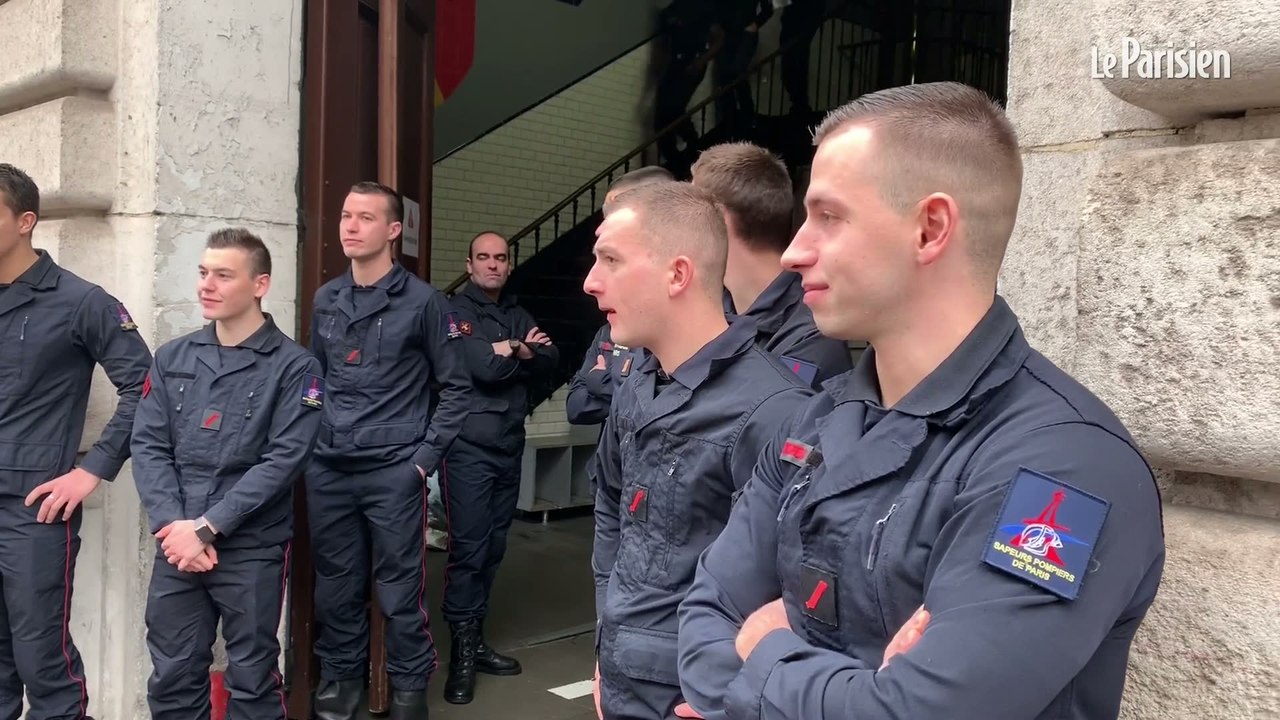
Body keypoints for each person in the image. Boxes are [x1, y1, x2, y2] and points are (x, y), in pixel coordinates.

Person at [676, 81, 1165, 720]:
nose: (795, 251)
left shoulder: (1061, 466)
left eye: (828, 216)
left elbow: (923, 712)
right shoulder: (813, 423)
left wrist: (764, 647)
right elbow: (703, 625)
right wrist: (855, 682)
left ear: (930, 228)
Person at [586, 181, 815, 720]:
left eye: (610, 260)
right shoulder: (640, 384)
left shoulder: (774, 410)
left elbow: (789, 585)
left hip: (694, 698)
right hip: (622, 679)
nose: (591, 282)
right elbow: (610, 514)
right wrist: (605, 649)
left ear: (678, 274)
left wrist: (730, 699)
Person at [130, 228, 323, 719]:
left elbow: (283, 462)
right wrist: (174, 526)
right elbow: (149, 445)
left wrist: (207, 527)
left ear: (260, 284)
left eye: (223, 275)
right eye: (202, 273)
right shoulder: (173, 358)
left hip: (249, 547)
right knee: (172, 675)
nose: (206, 286)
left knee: (253, 680)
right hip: (178, 541)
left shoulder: (296, 368)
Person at [306, 181, 473, 719]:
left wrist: (420, 463)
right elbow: (316, 380)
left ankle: (407, 691)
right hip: (329, 466)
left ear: (393, 230)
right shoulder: (326, 297)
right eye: (346, 215)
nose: (350, 226)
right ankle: (340, 683)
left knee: (400, 592)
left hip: (392, 471)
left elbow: (457, 390)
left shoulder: (424, 302)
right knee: (336, 587)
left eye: (366, 218)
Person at [0, 164, 152, 720]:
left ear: (25, 222)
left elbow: (146, 387)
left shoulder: (82, 301)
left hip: (32, 509)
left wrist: (94, 470)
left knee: (43, 660)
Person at [441, 231, 559, 704]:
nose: (493, 265)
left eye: (501, 258)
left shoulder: (516, 312)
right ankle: (461, 656)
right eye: (484, 258)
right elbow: (478, 369)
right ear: (469, 265)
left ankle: (477, 638)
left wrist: (512, 349)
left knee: (492, 549)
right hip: (468, 450)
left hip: (509, 446)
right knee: (468, 552)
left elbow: (551, 359)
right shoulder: (455, 312)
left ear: (509, 265)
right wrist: (519, 351)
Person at [690, 141, 853, 388]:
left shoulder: (813, 333)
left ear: (718, 220)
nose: (682, 227)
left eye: (691, 212)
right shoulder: (709, 309)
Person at [566, 166, 673, 429]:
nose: (590, 284)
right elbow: (575, 407)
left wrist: (598, 382)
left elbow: (655, 412)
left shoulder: (696, 333)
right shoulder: (613, 327)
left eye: (612, 259)